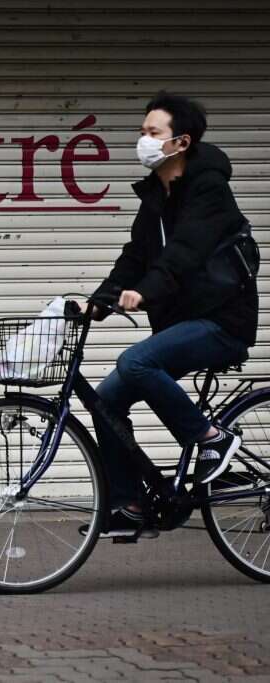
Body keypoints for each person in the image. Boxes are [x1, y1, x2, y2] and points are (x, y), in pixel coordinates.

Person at [90, 92, 258, 537]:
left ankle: (210, 439)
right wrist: (99, 300)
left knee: (136, 361)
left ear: (180, 142)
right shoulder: (156, 197)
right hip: (182, 323)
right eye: (142, 131)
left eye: (152, 133)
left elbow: (184, 254)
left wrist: (143, 293)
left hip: (222, 321)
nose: (142, 140)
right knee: (106, 400)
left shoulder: (209, 190)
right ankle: (129, 504)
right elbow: (134, 257)